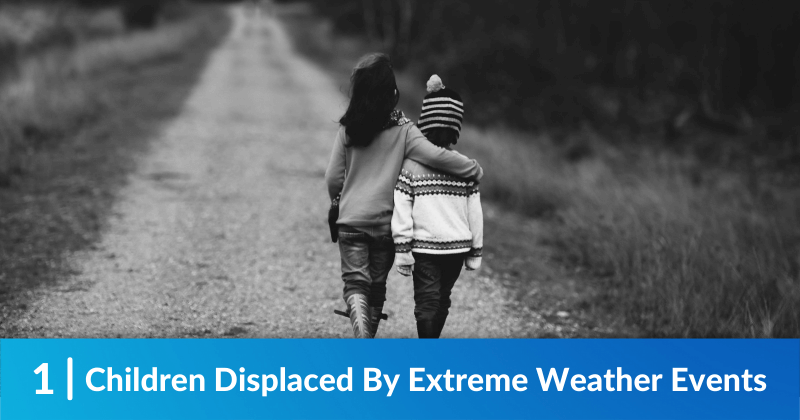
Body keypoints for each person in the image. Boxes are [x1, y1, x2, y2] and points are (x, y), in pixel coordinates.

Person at [325, 55, 483, 339]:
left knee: (355, 283)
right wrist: (473, 169)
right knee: (376, 285)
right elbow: (437, 156)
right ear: (392, 94)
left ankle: (361, 334)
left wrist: (337, 200)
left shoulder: (348, 129)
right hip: (386, 224)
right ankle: (367, 337)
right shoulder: (405, 131)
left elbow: (334, 177)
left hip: (350, 222)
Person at [391, 75, 483, 339]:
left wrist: (402, 249)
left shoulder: (411, 166)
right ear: (456, 128)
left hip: (424, 248)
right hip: (457, 247)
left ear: (425, 124)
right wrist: (475, 250)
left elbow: (402, 208)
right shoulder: (465, 167)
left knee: (427, 301)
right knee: (442, 299)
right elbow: (474, 213)